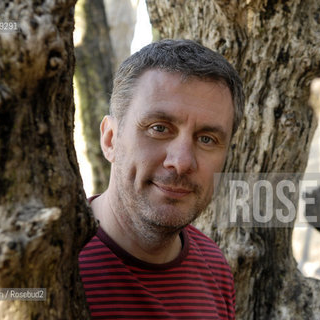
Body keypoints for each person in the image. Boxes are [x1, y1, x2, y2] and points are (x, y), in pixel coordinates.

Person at [78, 39, 244, 320]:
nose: (181, 162)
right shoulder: (55, 262)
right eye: (159, 128)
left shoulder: (214, 268)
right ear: (110, 140)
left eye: (207, 139)